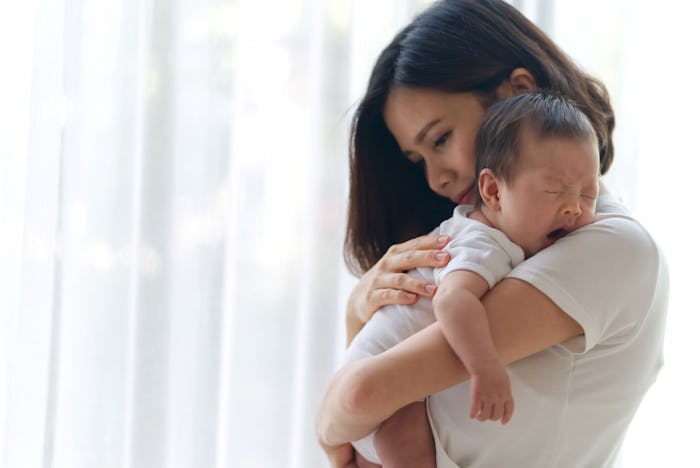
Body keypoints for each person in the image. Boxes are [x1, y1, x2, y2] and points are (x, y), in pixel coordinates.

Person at [316, 1, 669, 467]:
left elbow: (360, 398)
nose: (434, 179)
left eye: (440, 139)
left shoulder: (610, 247)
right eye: (417, 160)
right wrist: (357, 314)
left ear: (515, 91)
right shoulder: (492, 246)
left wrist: (328, 430)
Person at [348, 91, 601, 468]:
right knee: (407, 441)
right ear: (494, 191)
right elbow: (452, 301)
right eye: (555, 191)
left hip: (369, 385)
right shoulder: (484, 243)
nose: (574, 207)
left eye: (588, 193)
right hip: (382, 392)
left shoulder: (494, 231)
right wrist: (485, 368)